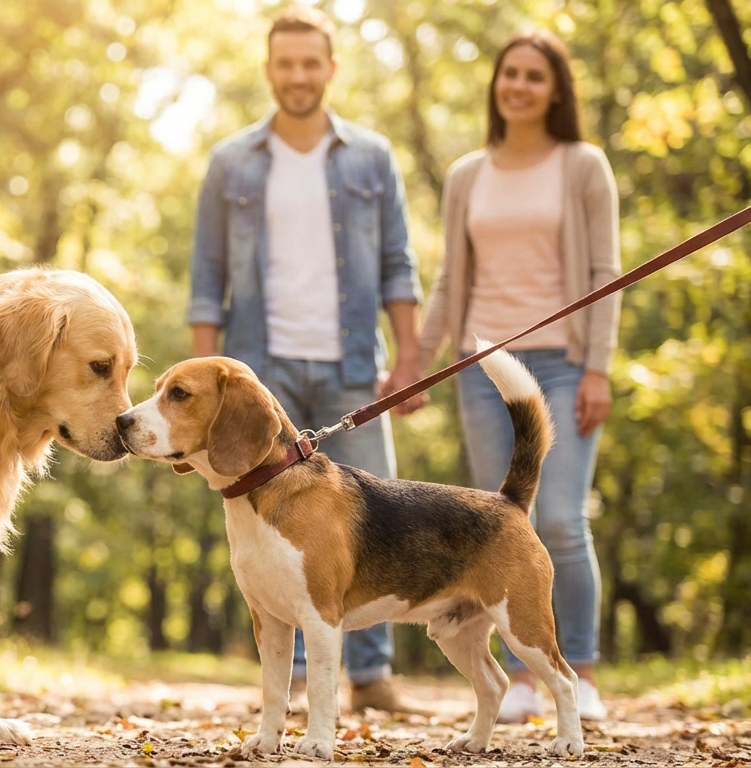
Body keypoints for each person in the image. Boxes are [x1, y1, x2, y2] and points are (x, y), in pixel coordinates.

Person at [188, 5, 426, 714]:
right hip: (260, 370)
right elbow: (206, 279)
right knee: (263, 523)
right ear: (269, 70)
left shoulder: (371, 156)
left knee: (375, 515)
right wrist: (201, 397)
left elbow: (397, 265)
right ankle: (285, 677)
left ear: (331, 68)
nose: (297, 75)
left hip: (352, 362)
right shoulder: (231, 161)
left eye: (309, 62)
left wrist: (408, 357)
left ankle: (372, 676)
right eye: (285, 63)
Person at [417, 29, 620, 723]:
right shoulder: (468, 174)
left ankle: (580, 671)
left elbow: (606, 273)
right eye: (510, 74)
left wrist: (598, 366)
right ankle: (522, 682)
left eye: (535, 76)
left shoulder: (583, 164)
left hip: (564, 363)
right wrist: (419, 362)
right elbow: (449, 279)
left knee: (561, 521)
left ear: (556, 89)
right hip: (482, 366)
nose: (520, 86)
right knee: (498, 528)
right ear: (496, 84)